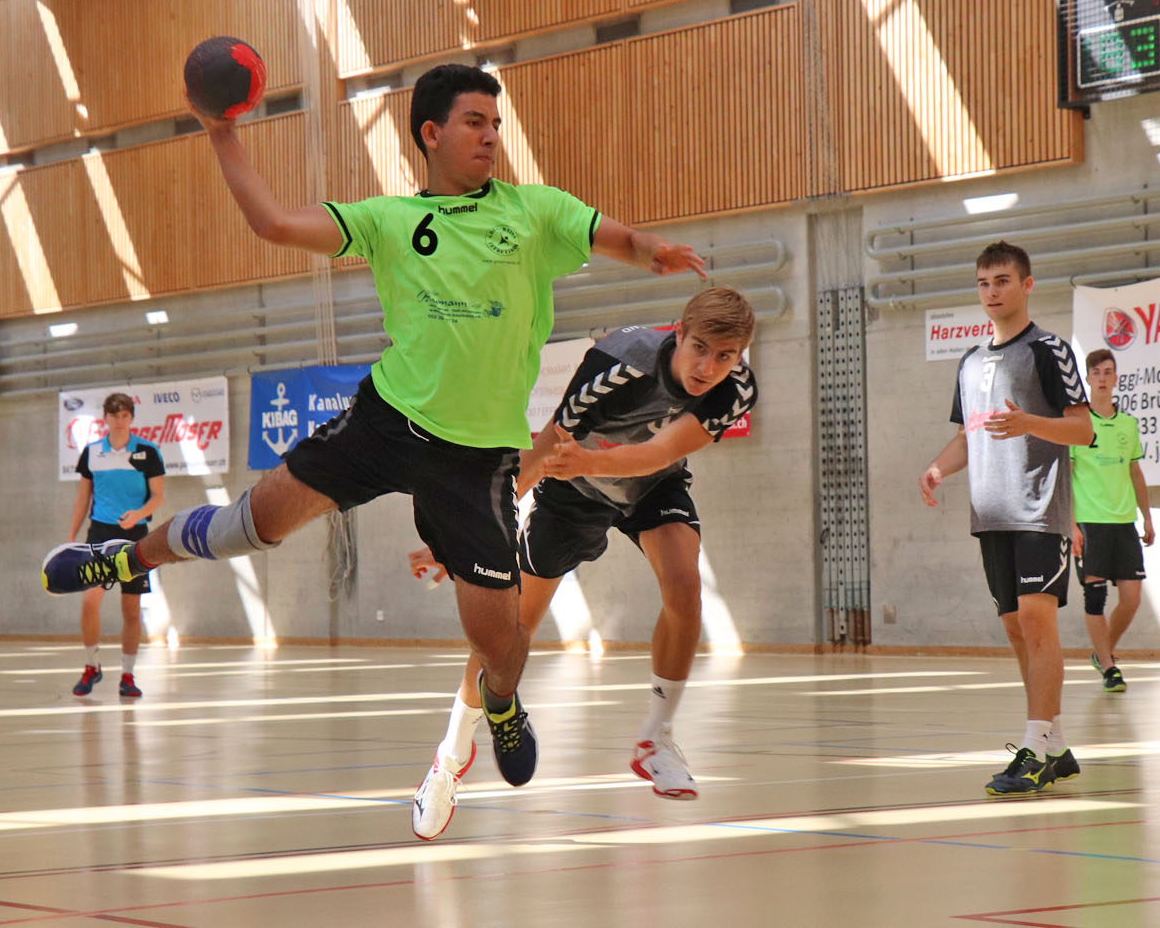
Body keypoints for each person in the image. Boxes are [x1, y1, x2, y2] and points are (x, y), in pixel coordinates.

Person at [41, 64, 706, 800]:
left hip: (477, 457)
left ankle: (502, 705)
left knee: (501, 644)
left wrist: (651, 251)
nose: (492, 135)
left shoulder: (534, 211)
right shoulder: (389, 221)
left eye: (495, 123)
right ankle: (121, 558)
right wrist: (221, 133)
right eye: (475, 121)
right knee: (250, 524)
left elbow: (616, 237)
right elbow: (273, 224)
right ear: (432, 133)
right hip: (386, 422)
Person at [407, 287, 757, 839]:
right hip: (572, 492)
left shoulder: (736, 389)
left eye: (725, 356)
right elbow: (542, 453)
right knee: (508, 632)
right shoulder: (616, 366)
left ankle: (656, 739)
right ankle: (449, 760)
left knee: (685, 587)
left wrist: (592, 460)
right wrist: (458, 537)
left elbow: (661, 453)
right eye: (700, 349)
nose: (708, 368)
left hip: (650, 486)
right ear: (678, 333)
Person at [918, 241, 1092, 795]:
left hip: (1039, 511)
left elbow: (1083, 429)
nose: (991, 292)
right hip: (990, 514)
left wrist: (1030, 424)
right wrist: (938, 468)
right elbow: (967, 435)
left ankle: (1034, 749)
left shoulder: (1049, 350)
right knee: (1017, 630)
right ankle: (1055, 745)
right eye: (983, 283)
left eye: (1002, 281)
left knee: (1038, 624)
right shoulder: (970, 361)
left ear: (1026, 285)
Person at [64, 393, 164, 697]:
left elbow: (158, 497)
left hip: (135, 538)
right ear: (105, 418)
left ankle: (128, 675)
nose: (119, 421)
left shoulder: (148, 452)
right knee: (89, 603)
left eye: (125, 415)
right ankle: (91, 666)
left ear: (131, 418)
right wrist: (71, 537)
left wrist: (138, 514)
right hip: (99, 537)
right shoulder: (92, 452)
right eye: (114, 415)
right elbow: (82, 499)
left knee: (131, 609)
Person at [1070, 348, 1154, 694]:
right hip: (1089, 522)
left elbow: (1135, 472)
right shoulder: (1076, 424)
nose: (1102, 378)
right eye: (1096, 373)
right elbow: (1065, 477)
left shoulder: (1127, 424)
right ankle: (1109, 668)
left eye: (1108, 372)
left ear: (1116, 378)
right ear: (1088, 379)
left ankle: (1101, 652)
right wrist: (1071, 526)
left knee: (1131, 599)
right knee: (1095, 598)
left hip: (1124, 522)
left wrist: (1147, 518)